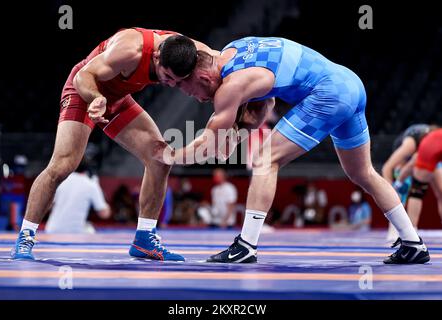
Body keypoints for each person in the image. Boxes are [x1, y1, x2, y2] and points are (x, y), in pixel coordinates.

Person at [156, 36, 430, 264]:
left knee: (265, 160)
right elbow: (266, 104)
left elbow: (208, 145)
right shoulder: (235, 49)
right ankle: (413, 243)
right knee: (364, 172)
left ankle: (246, 246)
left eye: (185, 87)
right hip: (350, 83)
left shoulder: (231, 87)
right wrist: (238, 135)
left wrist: (169, 156)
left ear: (203, 76)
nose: (190, 95)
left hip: (329, 92)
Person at [11, 28, 215, 261]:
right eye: (166, 76)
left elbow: (223, 62)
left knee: (160, 158)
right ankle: (25, 236)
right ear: (157, 56)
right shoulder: (129, 48)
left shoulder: (195, 52)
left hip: (118, 98)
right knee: (63, 165)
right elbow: (83, 77)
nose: (169, 84)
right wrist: (96, 98)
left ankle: (145, 239)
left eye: (177, 81)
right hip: (85, 89)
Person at [382, 124, 442, 241]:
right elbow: (387, 168)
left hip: (426, 151)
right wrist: (391, 189)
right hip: (406, 159)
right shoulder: (410, 144)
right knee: (404, 188)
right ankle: (399, 229)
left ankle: (410, 232)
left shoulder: (430, 143)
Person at [45, 160, 111, 234]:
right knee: (90, 230)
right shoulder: (91, 184)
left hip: (52, 229)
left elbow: (47, 206)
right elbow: (104, 214)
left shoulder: (60, 181)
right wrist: (99, 189)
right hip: (75, 233)